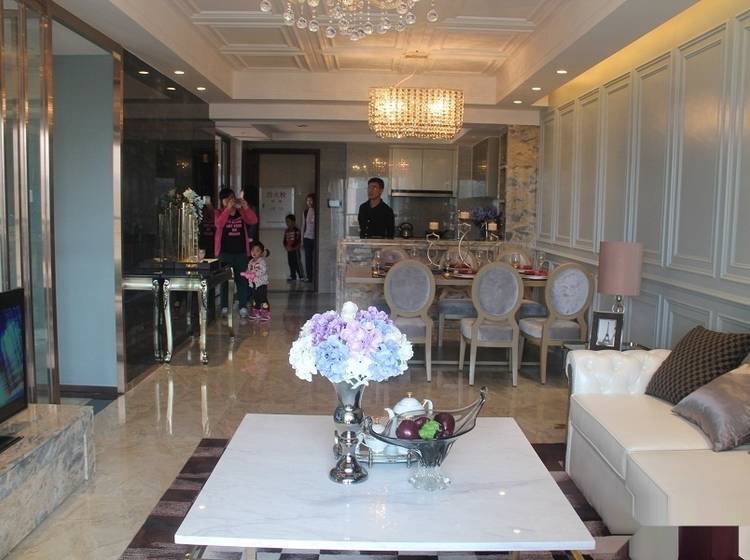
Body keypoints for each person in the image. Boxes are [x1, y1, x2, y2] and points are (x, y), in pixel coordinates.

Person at [214, 188, 258, 319]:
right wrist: (227, 209)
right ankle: (224, 306)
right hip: (224, 253)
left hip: (241, 253)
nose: (229, 200)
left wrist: (245, 207)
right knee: (224, 280)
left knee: (242, 280)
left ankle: (242, 306)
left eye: (231, 197)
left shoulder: (241, 212)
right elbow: (219, 224)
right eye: (225, 199)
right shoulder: (219, 212)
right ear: (222, 201)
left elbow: (253, 220)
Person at [242, 241, 270, 321]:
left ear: (261, 253)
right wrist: (246, 273)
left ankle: (265, 312)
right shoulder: (251, 261)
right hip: (253, 284)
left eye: (257, 251)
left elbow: (262, 271)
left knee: (263, 298)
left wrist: (253, 274)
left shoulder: (262, 261)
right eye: (253, 250)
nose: (254, 252)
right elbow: (248, 269)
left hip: (261, 284)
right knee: (255, 298)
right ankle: (256, 311)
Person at [283, 214, 303, 281]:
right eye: (286, 221)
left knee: (297, 263)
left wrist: (292, 247)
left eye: (288, 221)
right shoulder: (286, 230)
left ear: (293, 222)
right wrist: (286, 246)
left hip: (295, 250)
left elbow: (297, 240)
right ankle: (293, 276)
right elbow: (284, 240)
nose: (287, 223)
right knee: (290, 263)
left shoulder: (296, 230)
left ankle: (301, 276)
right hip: (289, 250)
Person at [303, 194, 315, 283]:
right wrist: (301, 240)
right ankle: (309, 277)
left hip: (315, 238)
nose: (309, 202)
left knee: (316, 258)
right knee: (308, 258)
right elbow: (303, 225)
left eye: (311, 200)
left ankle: (316, 276)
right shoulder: (305, 212)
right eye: (307, 200)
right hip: (307, 237)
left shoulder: (317, 211)